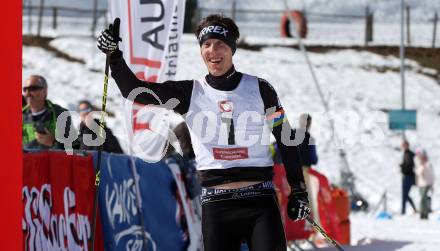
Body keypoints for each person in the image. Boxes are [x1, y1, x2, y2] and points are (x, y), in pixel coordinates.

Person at [97, 15, 310, 251]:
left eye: (220, 44)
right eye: (206, 44)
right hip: (217, 206)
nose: (213, 51)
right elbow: (135, 92)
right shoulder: (190, 92)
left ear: (232, 49)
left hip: (260, 202)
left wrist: (298, 190)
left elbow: (286, 139)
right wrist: (114, 57)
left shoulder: (260, 89)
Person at [22, 75, 76, 150]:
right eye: (25, 89)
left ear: (44, 91)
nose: (27, 93)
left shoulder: (60, 114)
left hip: (52, 161)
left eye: (32, 89)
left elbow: (73, 148)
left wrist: (53, 142)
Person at [415, 149, 434, 219]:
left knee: (424, 199)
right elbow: (418, 173)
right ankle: (422, 213)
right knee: (421, 199)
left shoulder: (428, 165)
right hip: (421, 184)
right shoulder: (420, 165)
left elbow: (431, 175)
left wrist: (431, 185)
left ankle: (425, 214)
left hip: (426, 184)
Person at [399, 140, 417, 215]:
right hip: (406, 176)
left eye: (404, 145)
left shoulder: (410, 154)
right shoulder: (406, 154)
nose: (403, 147)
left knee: (405, 194)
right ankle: (404, 210)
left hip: (409, 176)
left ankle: (410, 209)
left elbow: (410, 166)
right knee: (404, 194)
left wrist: (402, 166)